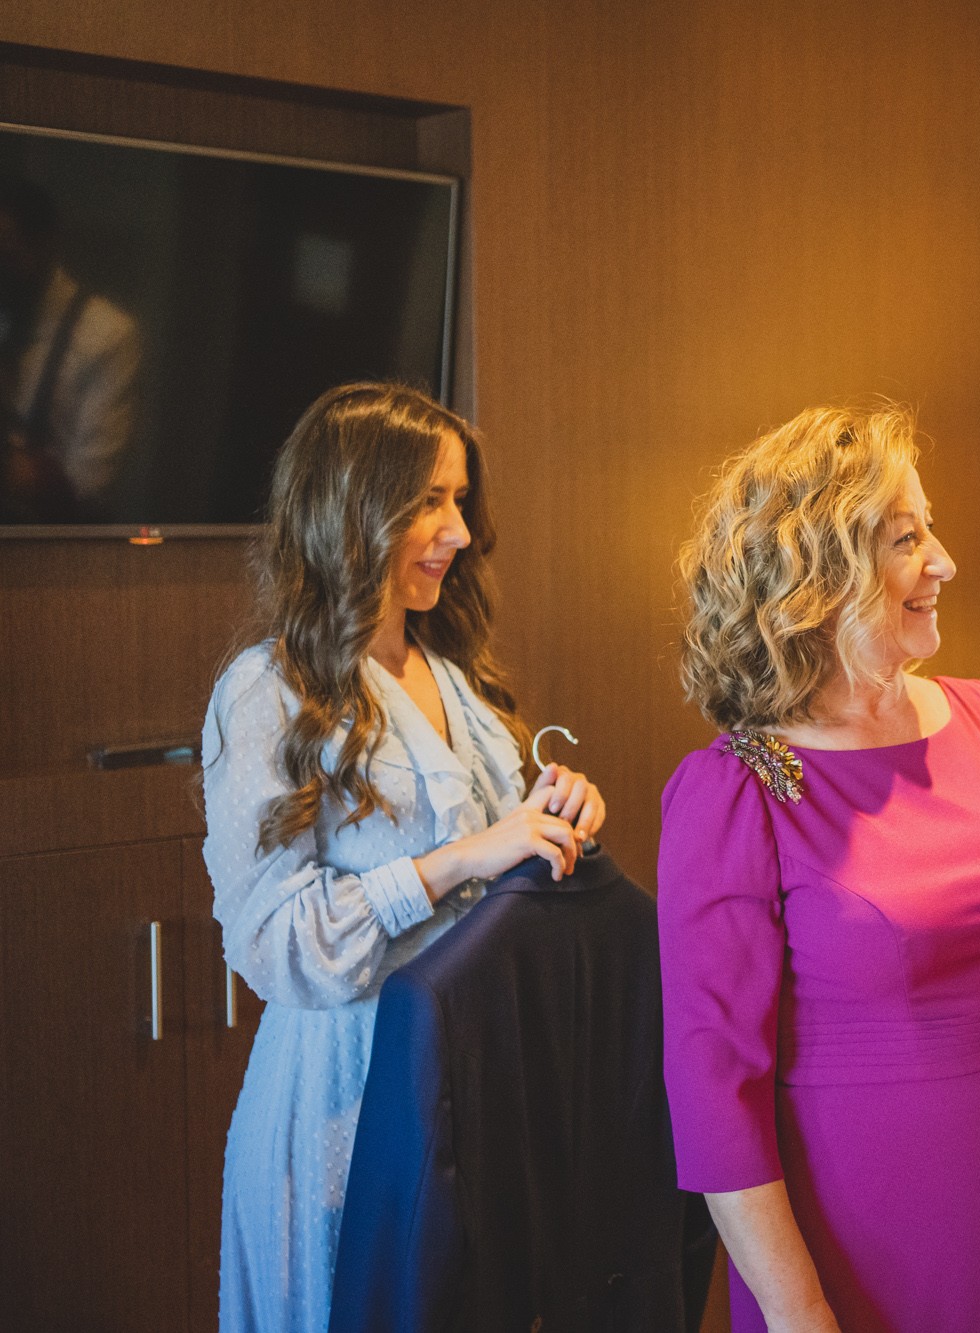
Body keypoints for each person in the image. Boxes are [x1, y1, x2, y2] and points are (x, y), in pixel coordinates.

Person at [657, 403, 980, 1333]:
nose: (944, 561)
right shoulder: (735, 791)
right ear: (819, 572)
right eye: (906, 538)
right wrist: (801, 1316)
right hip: (864, 1236)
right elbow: (716, 1096)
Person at [201, 382, 604, 1333]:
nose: (458, 532)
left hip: (474, 1090)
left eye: (459, 502)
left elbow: (496, 878)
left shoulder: (458, 682)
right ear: (348, 506)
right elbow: (278, 943)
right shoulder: (265, 692)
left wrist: (555, 819)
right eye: (429, 501)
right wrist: (465, 857)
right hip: (344, 1113)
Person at [0, 175, 140, 520]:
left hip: (47, 545)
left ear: (46, 245)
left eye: (8, 256)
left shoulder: (109, 334)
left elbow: (91, 483)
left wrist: (23, 473)